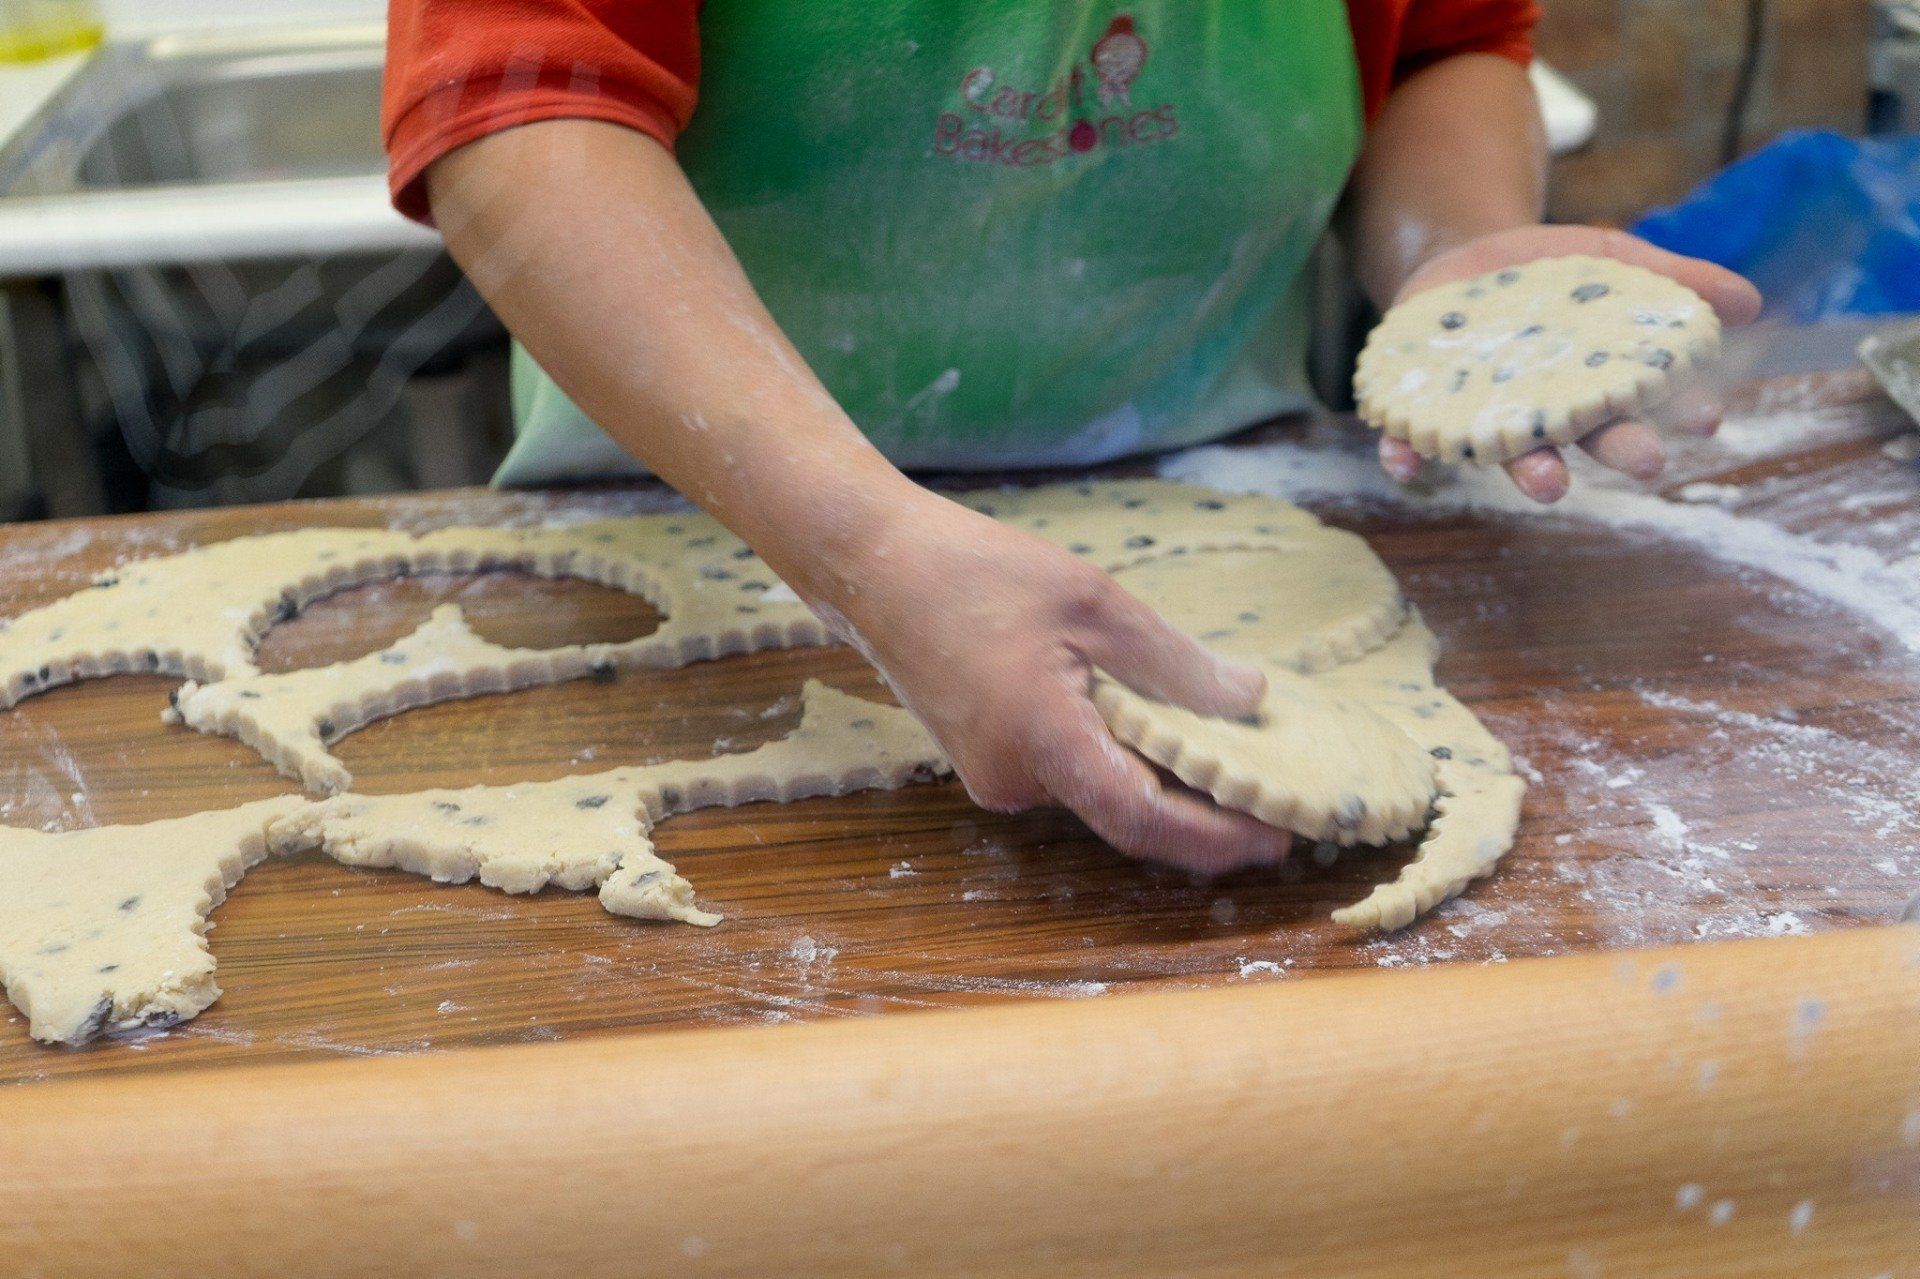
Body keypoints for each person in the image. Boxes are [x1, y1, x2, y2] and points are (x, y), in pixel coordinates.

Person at [382, 2, 1761, 877]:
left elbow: (1446, 41)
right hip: (710, 538)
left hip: (1242, 537)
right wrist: (862, 547)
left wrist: (1459, 252)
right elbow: (520, 96)